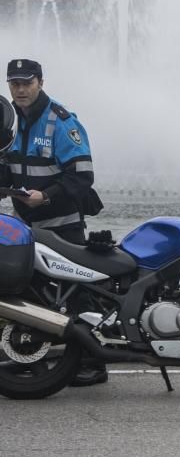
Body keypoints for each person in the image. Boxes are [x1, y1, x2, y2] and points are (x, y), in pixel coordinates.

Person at [1, 58, 107, 387]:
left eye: (27, 82)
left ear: (41, 82)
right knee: (30, 295)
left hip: (63, 225)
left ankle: (94, 362)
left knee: (77, 293)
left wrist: (44, 197)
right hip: (26, 226)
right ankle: (29, 357)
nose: (20, 89)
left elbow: (82, 177)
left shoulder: (61, 121)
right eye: (14, 83)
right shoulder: (7, 121)